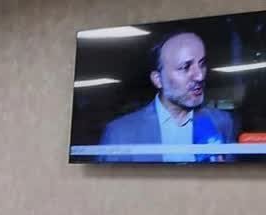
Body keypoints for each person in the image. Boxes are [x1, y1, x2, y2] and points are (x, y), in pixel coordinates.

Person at [99, 31, 235, 163]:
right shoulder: (120, 133)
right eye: (185, 67)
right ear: (158, 80)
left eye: (202, 64)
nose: (199, 76)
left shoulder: (222, 122)